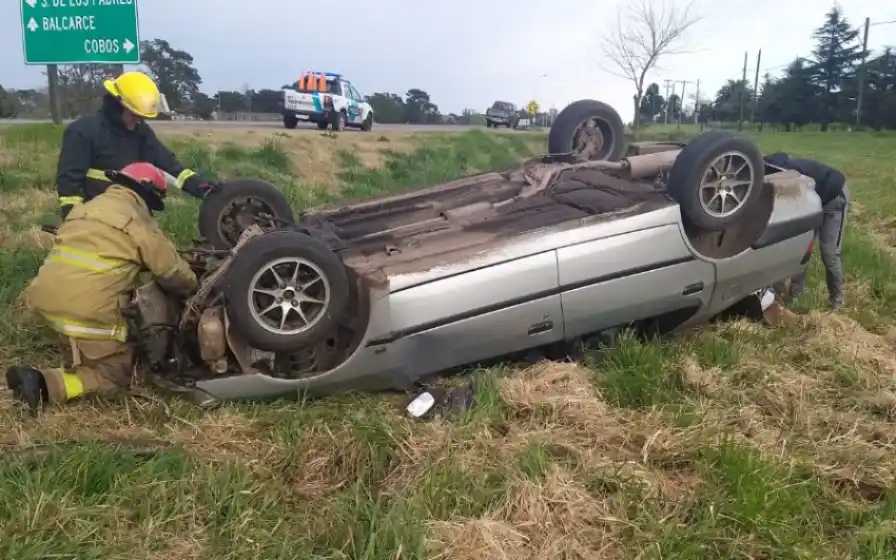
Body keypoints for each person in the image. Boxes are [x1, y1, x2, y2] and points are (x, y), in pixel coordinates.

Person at [5, 162, 199, 413]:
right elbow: (175, 275)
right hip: (85, 314)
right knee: (112, 379)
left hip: (45, 300)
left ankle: (78, 346)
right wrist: (195, 286)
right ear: (147, 196)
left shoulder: (83, 209)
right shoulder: (139, 224)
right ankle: (43, 384)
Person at [56, 71, 217, 220]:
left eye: (142, 117)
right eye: (134, 115)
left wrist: (200, 186)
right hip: (95, 216)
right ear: (117, 105)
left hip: (132, 215)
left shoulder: (141, 132)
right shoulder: (83, 131)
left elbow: (169, 164)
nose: (139, 120)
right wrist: (75, 219)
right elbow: (69, 182)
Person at [764, 152, 849, 309]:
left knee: (829, 253)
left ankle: (837, 300)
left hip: (832, 198)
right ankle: (796, 295)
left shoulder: (788, 177)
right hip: (811, 200)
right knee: (801, 249)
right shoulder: (767, 175)